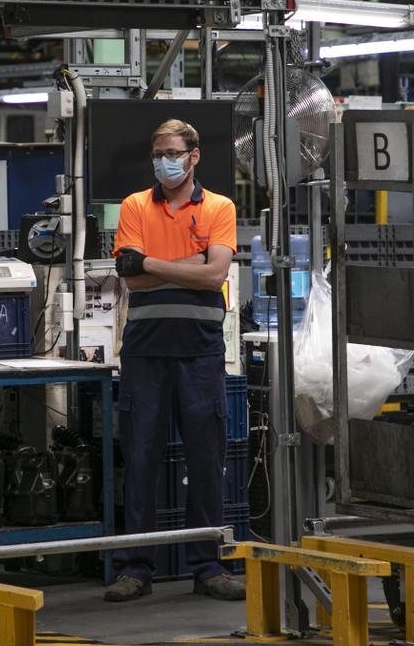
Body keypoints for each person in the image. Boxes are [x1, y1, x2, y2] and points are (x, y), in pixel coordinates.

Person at [105, 118, 245, 603]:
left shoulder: (220, 207)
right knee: (140, 459)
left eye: (174, 151)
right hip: (145, 351)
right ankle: (134, 567)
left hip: (201, 351)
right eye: (159, 151)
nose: (166, 160)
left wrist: (152, 263)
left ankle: (208, 566)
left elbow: (216, 277)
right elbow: (130, 280)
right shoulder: (134, 206)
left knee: (206, 460)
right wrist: (193, 262)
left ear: (194, 156)